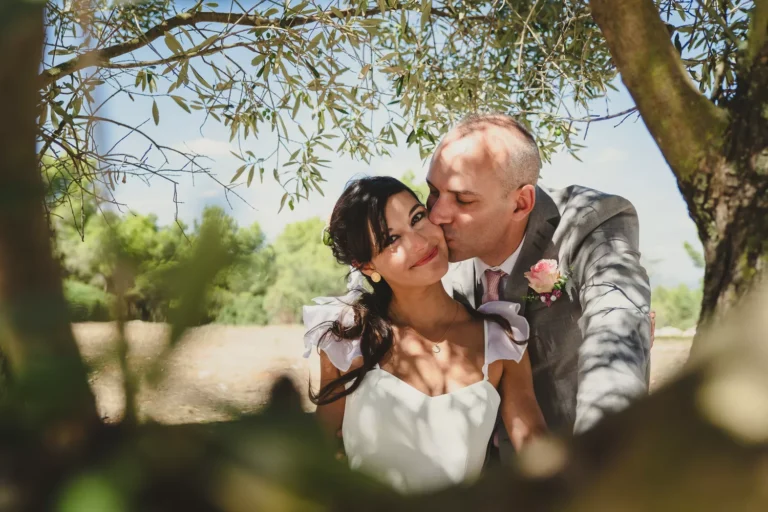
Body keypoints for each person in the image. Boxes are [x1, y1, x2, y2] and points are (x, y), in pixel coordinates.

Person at [428, 113, 652, 464]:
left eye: (462, 200)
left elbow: (617, 325)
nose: (437, 214)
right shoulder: (430, 241)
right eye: (433, 191)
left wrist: (596, 462)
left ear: (521, 203)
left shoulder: (592, 223)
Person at [303, 176, 547, 494]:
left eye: (417, 217)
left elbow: (536, 447)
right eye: (392, 239)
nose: (420, 242)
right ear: (366, 266)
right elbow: (319, 455)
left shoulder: (501, 339)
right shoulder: (348, 340)